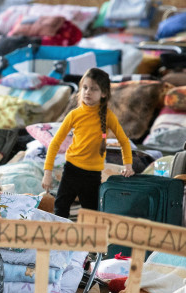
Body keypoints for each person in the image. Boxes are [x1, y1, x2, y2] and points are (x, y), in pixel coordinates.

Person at [42, 67, 134, 219]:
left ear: (103, 93)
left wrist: (128, 166)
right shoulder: (74, 114)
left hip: (92, 175)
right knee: (61, 207)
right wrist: (47, 173)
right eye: (85, 87)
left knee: (92, 213)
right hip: (71, 170)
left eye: (94, 89)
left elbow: (124, 141)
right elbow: (55, 143)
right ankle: (60, 233)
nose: (88, 92)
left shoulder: (108, 116)